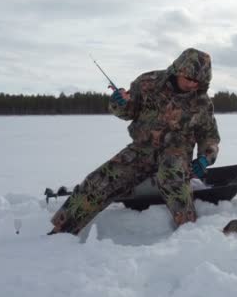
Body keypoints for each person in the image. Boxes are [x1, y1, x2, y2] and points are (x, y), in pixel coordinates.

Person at [49, 48, 220, 235]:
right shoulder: (148, 83)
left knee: (172, 176)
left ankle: (190, 232)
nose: (192, 85)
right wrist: (119, 103)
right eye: (189, 78)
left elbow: (209, 136)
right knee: (100, 180)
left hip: (176, 152)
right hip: (141, 150)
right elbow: (129, 111)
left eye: (198, 81)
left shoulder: (202, 102)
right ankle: (62, 230)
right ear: (179, 70)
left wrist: (205, 157)